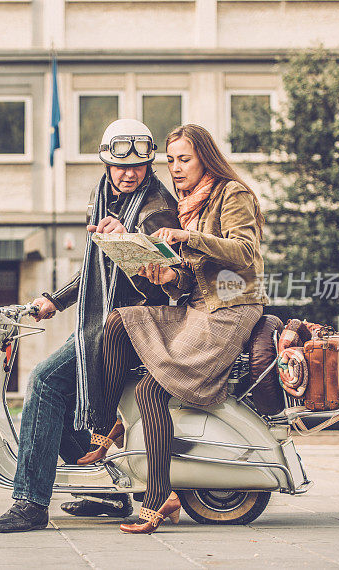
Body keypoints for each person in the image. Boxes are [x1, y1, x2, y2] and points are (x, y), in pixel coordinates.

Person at [0, 119, 181, 533]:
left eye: (139, 166)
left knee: (42, 381)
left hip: (134, 329)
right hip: (104, 322)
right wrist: (53, 300)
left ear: (149, 166)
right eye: (119, 165)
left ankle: (30, 502)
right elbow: (97, 269)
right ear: (106, 164)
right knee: (57, 393)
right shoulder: (101, 198)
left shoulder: (155, 208)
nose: (129, 173)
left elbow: (160, 272)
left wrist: (130, 238)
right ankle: (99, 492)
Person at [82, 124, 268, 534]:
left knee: (151, 389)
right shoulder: (189, 204)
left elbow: (247, 253)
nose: (176, 167)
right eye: (171, 160)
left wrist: (189, 235)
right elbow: (189, 280)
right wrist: (165, 276)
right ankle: (102, 429)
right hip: (197, 308)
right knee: (119, 322)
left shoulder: (231, 194)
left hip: (230, 311)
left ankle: (157, 500)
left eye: (184, 158)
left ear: (205, 157)